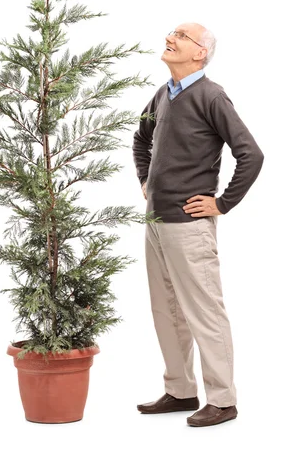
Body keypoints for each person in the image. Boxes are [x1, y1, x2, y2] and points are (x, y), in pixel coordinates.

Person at [132, 23, 264, 427]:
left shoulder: (211, 95)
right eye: (171, 32)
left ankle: (223, 400)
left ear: (199, 53)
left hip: (189, 226)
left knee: (204, 311)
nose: (171, 38)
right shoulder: (163, 94)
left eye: (182, 36)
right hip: (156, 221)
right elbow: (141, 140)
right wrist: (145, 180)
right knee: (165, 309)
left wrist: (221, 203)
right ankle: (180, 390)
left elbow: (251, 155)